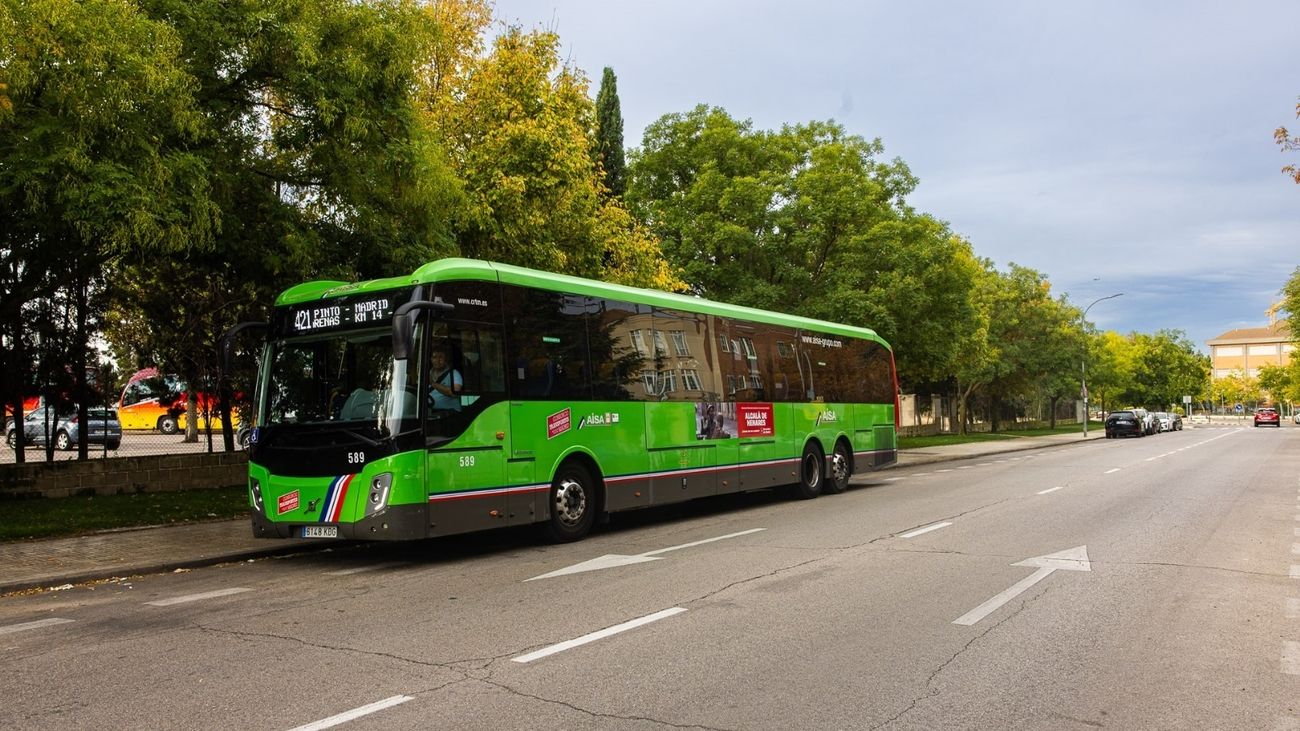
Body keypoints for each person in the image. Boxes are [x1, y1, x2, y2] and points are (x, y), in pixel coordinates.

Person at [428, 346, 463, 411]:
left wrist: (433, 383)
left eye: (441, 357)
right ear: (431, 359)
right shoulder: (429, 373)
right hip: (430, 412)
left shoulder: (454, 374)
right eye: (434, 357)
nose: (437, 360)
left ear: (446, 360)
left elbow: (455, 393)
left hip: (450, 413)